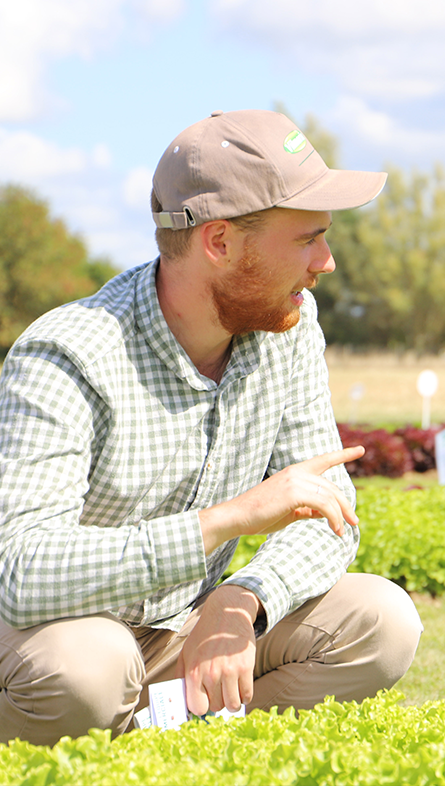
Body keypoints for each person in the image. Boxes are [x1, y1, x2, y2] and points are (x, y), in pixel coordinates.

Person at [0, 110, 422, 746]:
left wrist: (244, 597)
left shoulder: (290, 328)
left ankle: (157, 737)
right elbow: (22, 571)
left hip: (186, 631)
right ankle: (117, 726)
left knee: (381, 621)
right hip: (58, 635)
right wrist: (226, 521)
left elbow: (328, 508)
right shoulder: (68, 352)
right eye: (308, 238)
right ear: (219, 242)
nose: (327, 262)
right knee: (92, 668)